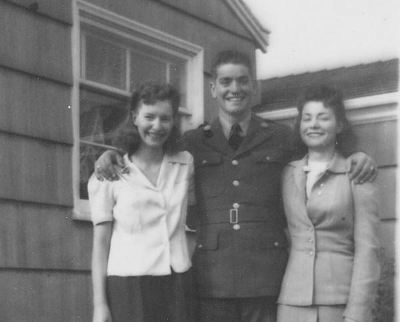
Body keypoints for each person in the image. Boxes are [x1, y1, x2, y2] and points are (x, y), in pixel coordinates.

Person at [94, 51, 377, 322]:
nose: (235, 89)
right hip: (212, 279)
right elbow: (150, 149)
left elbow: (318, 155)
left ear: (254, 87)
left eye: (243, 81)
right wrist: (112, 154)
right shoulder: (192, 143)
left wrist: (355, 155)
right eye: (226, 82)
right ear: (213, 89)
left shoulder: (281, 138)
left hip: (266, 277)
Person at [89, 81, 195, 322]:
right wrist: (100, 305)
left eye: (165, 118)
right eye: (149, 116)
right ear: (135, 117)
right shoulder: (109, 173)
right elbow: (100, 245)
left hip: (177, 281)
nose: (157, 126)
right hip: (129, 285)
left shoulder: (185, 163)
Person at [277, 84, 380, 322]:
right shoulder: (287, 174)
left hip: (339, 302)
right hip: (292, 302)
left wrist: (357, 313)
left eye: (323, 118)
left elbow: (368, 250)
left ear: (340, 125)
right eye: (307, 118)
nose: (313, 125)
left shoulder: (356, 174)